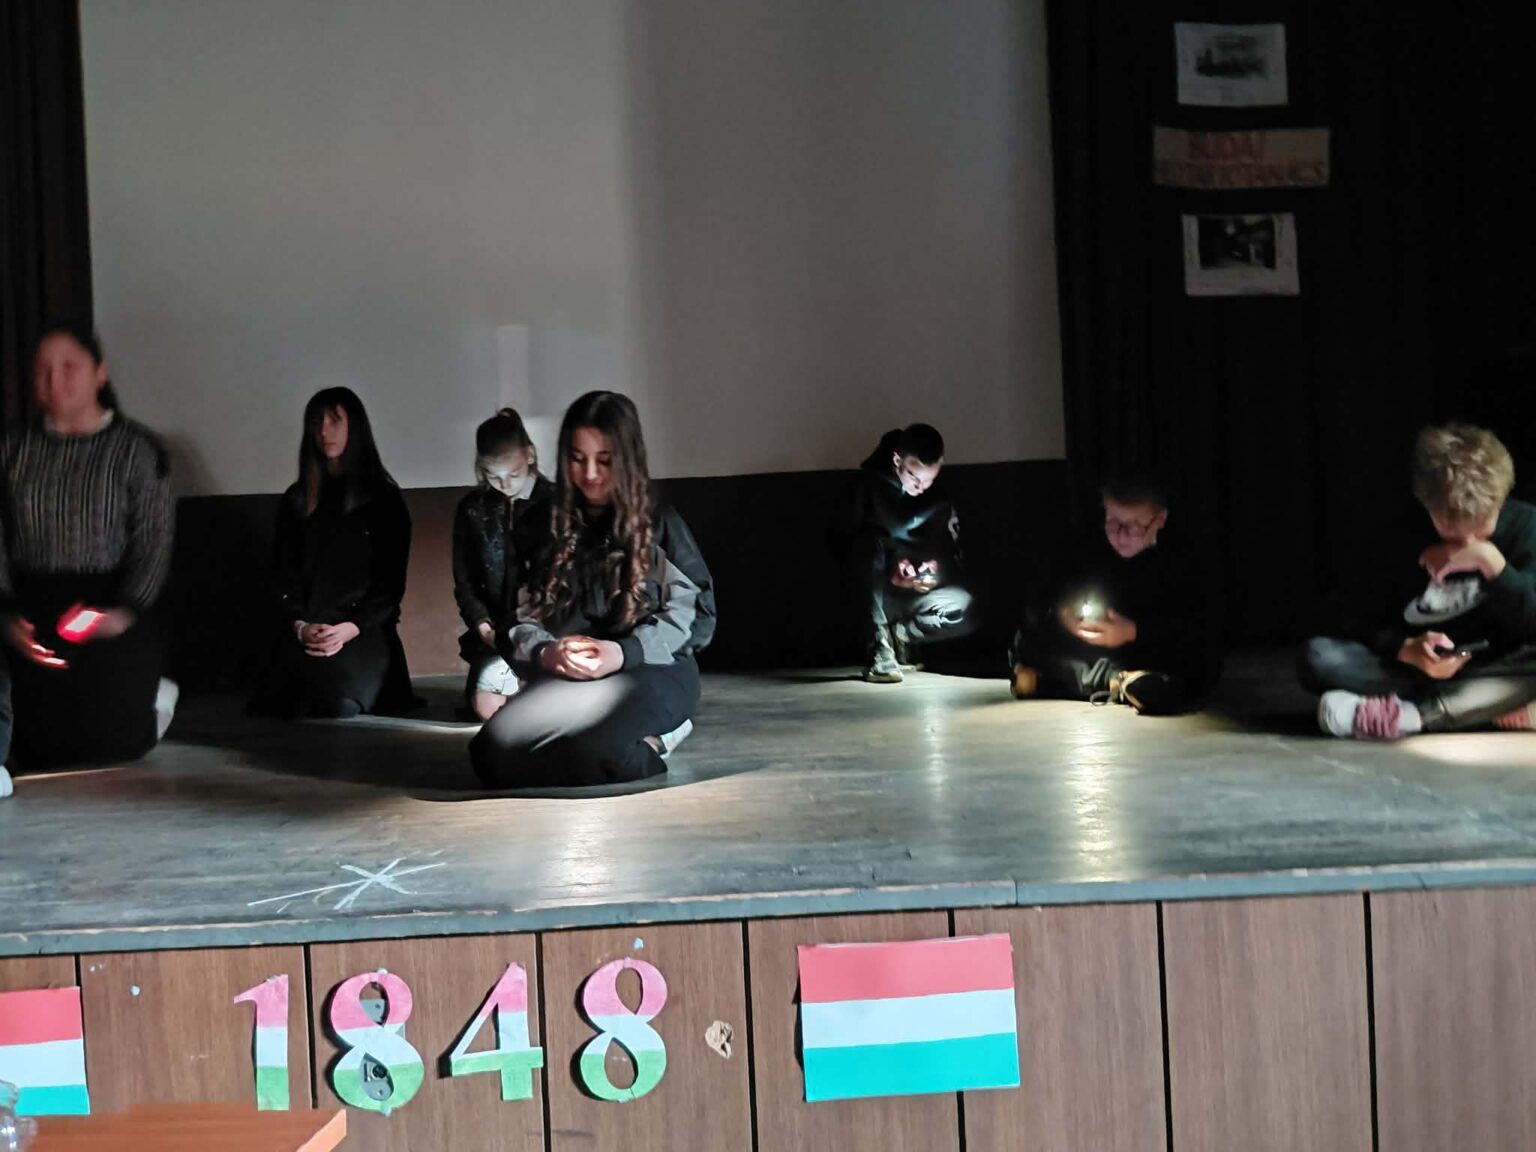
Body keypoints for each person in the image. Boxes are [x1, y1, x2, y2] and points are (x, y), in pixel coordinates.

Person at [469, 391, 714, 788]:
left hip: (650, 668)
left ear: (626, 459)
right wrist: (547, 652)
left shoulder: (658, 525)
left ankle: (659, 739)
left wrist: (623, 652)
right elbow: (515, 619)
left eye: (605, 460)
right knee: (491, 757)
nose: (590, 474)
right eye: (577, 458)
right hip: (570, 675)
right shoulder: (539, 527)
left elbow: (697, 614)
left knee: (596, 756)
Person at [0, 322, 177, 794]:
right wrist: (9, 614)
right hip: (31, 603)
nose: (54, 381)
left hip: (110, 607)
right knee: (35, 745)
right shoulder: (13, 449)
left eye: (69, 367)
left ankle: (155, 702)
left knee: (107, 746)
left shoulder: (137, 450)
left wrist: (120, 613)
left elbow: (153, 544)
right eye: (43, 369)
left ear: (99, 372)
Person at [1301, 424, 1536, 739]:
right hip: (1415, 671)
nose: (1466, 543)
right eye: (1452, 531)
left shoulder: (1525, 525)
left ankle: (1410, 716)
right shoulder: (1398, 535)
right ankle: (1480, 707)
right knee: (1319, 657)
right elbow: (1339, 615)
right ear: (1427, 506)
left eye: (1481, 529)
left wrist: (1494, 565)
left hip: (1495, 666)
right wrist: (1403, 648)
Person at [258, 387, 413, 719]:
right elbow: (282, 574)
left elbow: (389, 585)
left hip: (361, 630)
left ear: (354, 426)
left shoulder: (383, 501)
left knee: (340, 702)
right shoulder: (298, 500)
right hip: (308, 627)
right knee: (292, 702)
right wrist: (301, 625)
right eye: (317, 422)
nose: (324, 431)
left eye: (335, 421)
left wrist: (349, 627)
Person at [1008, 474, 1220, 714]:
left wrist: (1133, 632)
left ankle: (1064, 681)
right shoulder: (1085, 542)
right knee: (1029, 641)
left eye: (1135, 526)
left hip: (1140, 647)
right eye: (1113, 522)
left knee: (1199, 662)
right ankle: (1121, 683)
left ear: (1160, 519)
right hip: (1089, 646)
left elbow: (1192, 623)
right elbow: (1042, 598)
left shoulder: (1181, 557)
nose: (1121, 535)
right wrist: (1063, 613)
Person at [842, 424, 974, 683]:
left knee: (968, 607)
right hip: (878, 597)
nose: (920, 486)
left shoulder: (936, 498)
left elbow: (948, 550)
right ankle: (879, 645)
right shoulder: (866, 489)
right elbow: (847, 549)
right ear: (897, 461)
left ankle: (903, 636)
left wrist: (932, 570)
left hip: (915, 597)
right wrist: (893, 568)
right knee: (868, 546)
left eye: (928, 480)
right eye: (914, 476)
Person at [452, 408, 552, 720]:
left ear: (530, 456)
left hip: (547, 632)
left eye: (513, 474)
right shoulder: (473, 510)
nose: (504, 484)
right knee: (485, 704)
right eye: (493, 477)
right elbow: (465, 580)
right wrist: (483, 627)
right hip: (494, 635)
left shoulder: (556, 503)